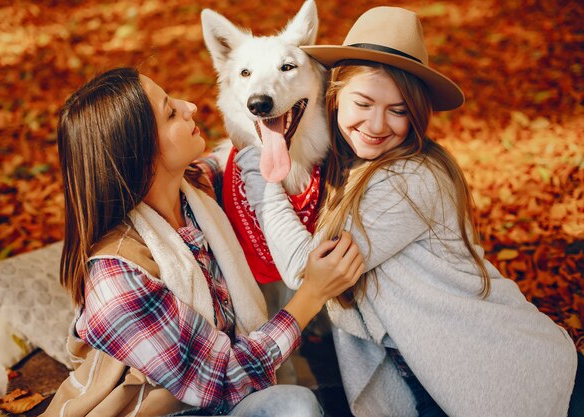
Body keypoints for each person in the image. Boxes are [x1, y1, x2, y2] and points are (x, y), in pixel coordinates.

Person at [235, 6, 581, 417]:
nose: (377, 124)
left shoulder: (410, 178)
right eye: (363, 102)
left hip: (504, 374)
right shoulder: (346, 168)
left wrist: (260, 170)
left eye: (398, 110)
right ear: (334, 94)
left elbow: (303, 268)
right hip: (428, 378)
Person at [42, 67, 365, 417]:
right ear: (138, 152)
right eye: (170, 112)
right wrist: (312, 294)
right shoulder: (117, 279)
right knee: (293, 407)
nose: (190, 106)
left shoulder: (196, 192)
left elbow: (239, 155)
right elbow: (223, 378)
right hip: (168, 410)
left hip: (220, 404)